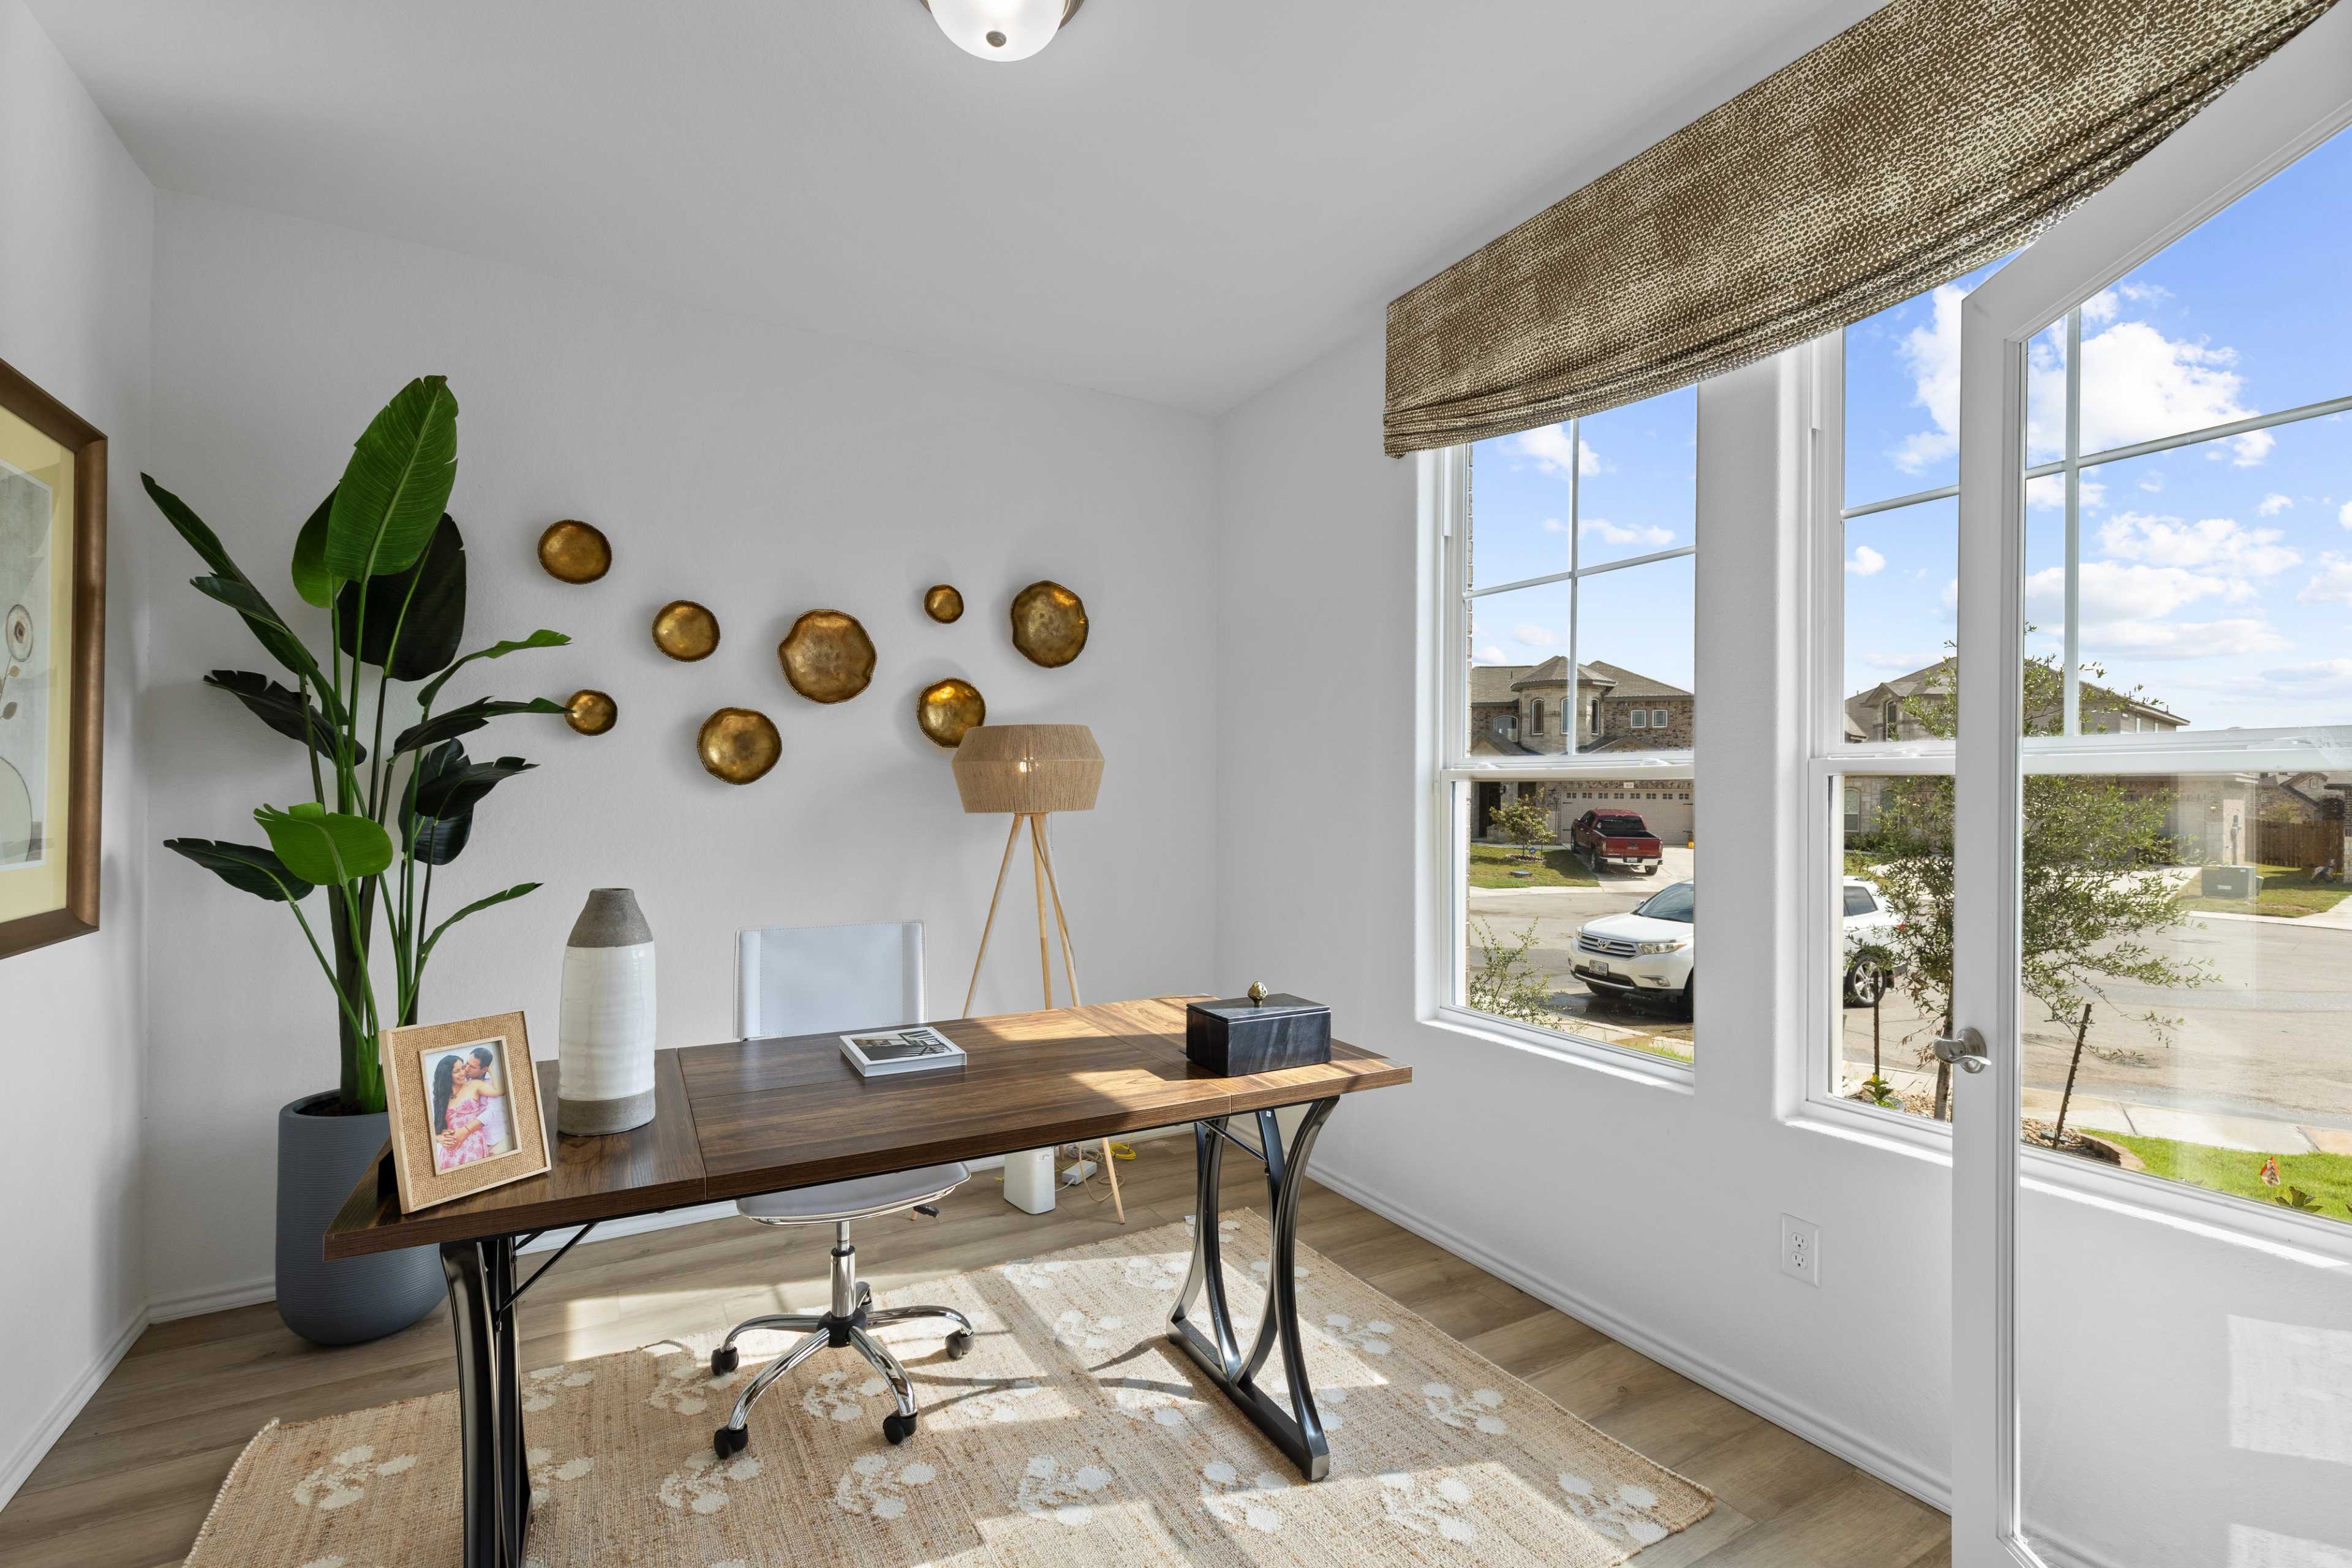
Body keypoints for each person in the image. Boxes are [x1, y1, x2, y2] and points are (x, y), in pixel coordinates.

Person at [432, 1053, 494, 1172]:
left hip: (473, 1145)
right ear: (446, 1076)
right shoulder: (441, 1097)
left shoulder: (474, 1085)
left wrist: (491, 1069)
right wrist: (438, 1137)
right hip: (450, 1151)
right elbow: (433, 1127)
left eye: (463, 1068)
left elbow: (498, 1096)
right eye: (457, 1071)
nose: (463, 1073)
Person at [464, 1046, 511, 1155]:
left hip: (493, 1143)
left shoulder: (492, 1084)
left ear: (485, 1069)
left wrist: (465, 1130)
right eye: (467, 1063)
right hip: (472, 1144)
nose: (467, 1069)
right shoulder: (463, 1082)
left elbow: (492, 1112)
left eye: (472, 1067)